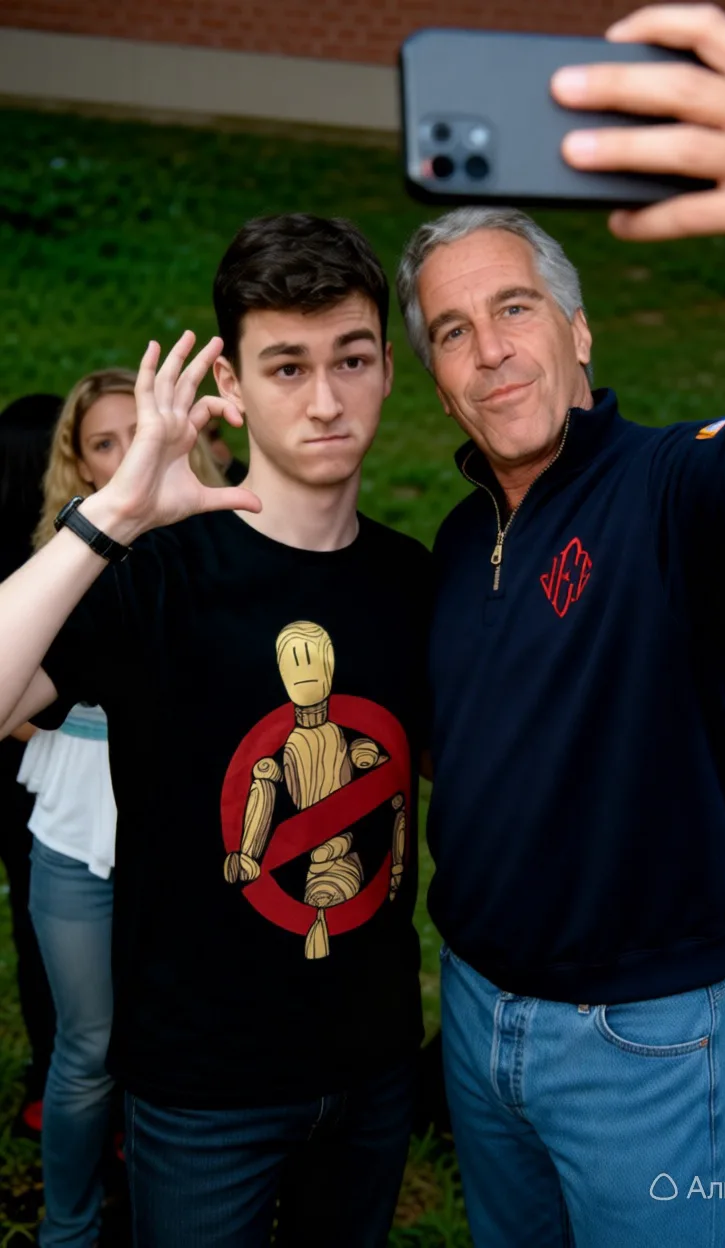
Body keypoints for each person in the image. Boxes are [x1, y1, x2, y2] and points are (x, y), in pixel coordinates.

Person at [395, 7, 725, 1247]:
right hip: (473, 1011)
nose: (490, 351)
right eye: (453, 333)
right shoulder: (453, 542)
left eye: (515, 308)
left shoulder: (665, 492)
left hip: (638, 1040)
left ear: (577, 328)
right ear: (438, 380)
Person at [0, 213, 429, 1248]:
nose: (324, 400)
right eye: (286, 367)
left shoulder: (415, 581)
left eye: (351, 359)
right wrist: (112, 516)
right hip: (201, 1087)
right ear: (230, 385)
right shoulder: (156, 574)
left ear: (385, 367)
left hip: (373, 1067)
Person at [19, 367, 223, 1248]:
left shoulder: (232, 540)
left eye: (141, 431)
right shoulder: (66, 562)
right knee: (89, 1050)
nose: (130, 452)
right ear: (83, 464)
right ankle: (68, 1230)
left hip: (187, 832)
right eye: (105, 442)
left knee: (179, 1046)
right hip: (79, 829)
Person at [0, 394, 59, 1136]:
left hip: (22, 774)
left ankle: (49, 1076)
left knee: (32, 924)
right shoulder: (54, 556)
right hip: (39, 772)